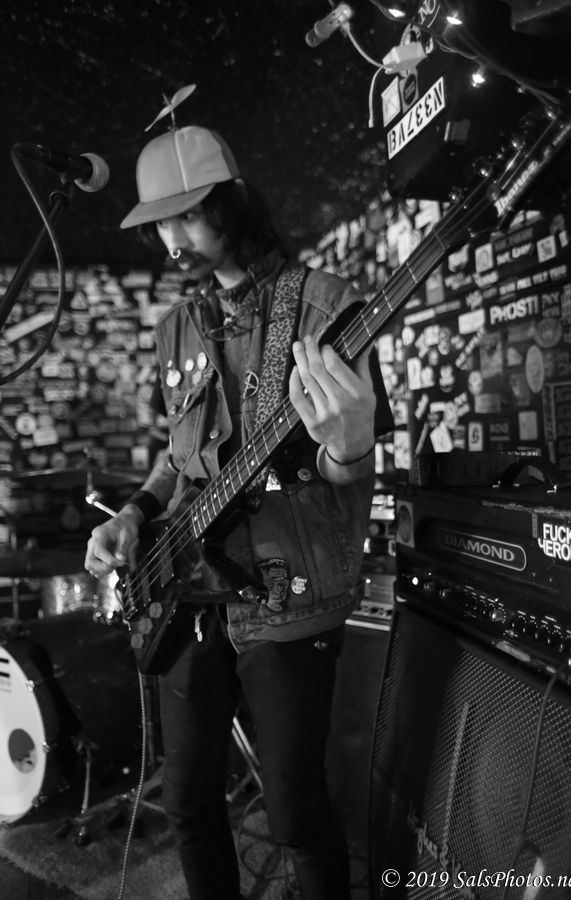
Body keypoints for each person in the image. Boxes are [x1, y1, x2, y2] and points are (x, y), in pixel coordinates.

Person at [85, 120, 391, 900]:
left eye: (188, 215)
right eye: (160, 223)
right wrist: (134, 513)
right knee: (188, 803)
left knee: (296, 814)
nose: (172, 240)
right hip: (187, 592)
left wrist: (353, 447)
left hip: (285, 594)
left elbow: (343, 469)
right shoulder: (174, 329)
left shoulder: (325, 304)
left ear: (234, 202)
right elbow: (179, 455)